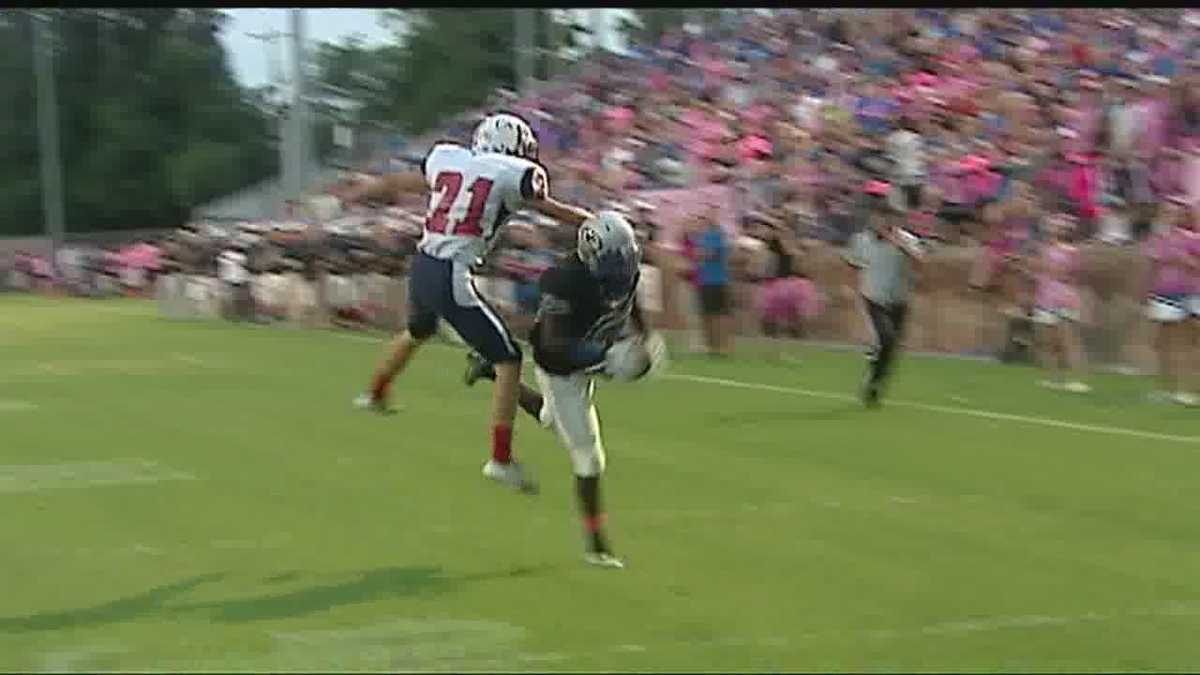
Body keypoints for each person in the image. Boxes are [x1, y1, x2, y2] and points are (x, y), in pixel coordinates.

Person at [335, 112, 593, 494]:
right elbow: (547, 207)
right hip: (450, 271)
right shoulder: (513, 171)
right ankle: (500, 459)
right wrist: (591, 220)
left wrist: (367, 189)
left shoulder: (448, 157)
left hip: (423, 263)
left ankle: (375, 392)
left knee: (418, 330)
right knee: (508, 357)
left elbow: (406, 182)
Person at [463, 212, 665, 569]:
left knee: (551, 418)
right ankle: (597, 545)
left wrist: (645, 336)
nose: (622, 269)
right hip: (559, 365)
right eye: (613, 263)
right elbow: (555, 344)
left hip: (591, 351)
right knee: (589, 456)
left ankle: (492, 372)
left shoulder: (624, 266)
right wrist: (603, 358)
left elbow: (632, 298)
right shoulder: (562, 280)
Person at [843, 181, 926, 408]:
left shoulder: (907, 239)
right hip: (874, 297)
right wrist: (852, 289)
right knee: (886, 338)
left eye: (888, 217)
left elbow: (921, 263)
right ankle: (874, 371)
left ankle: (875, 382)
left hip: (899, 299)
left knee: (892, 348)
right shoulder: (861, 240)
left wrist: (901, 246)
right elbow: (853, 265)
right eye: (879, 217)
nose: (882, 222)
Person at [1144, 198, 1200, 405]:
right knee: (1162, 344)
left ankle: (1185, 390)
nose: (1170, 216)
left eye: (1175, 212)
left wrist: (1186, 261)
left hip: (1186, 293)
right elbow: (1152, 266)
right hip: (1162, 293)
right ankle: (1165, 390)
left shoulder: (1191, 238)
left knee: (1182, 342)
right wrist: (1148, 293)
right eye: (1166, 212)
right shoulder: (1158, 238)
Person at [1026, 213, 1091, 393]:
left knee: (1068, 340)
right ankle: (1052, 378)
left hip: (1064, 298)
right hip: (1044, 297)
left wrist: (1046, 267)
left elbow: (1069, 273)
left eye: (1057, 226)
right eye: (1050, 226)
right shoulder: (1042, 249)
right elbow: (1034, 270)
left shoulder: (1070, 251)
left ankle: (1078, 379)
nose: (1052, 229)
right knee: (1046, 340)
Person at [696, 203, 734, 356]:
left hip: (718, 280)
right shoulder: (704, 236)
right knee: (707, 314)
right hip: (705, 279)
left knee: (720, 315)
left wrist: (701, 254)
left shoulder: (718, 234)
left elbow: (708, 254)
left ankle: (723, 346)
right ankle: (711, 346)